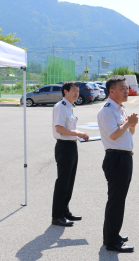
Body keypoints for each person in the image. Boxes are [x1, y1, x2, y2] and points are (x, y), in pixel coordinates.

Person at [97, 75, 138, 253]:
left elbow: (129, 133)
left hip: (125, 157)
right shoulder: (106, 110)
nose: (126, 91)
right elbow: (113, 135)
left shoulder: (120, 109)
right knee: (116, 200)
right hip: (116, 159)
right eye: (122, 88)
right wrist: (129, 122)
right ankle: (112, 241)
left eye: (127, 88)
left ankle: (112, 235)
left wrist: (131, 124)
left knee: (119, 200)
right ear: (111, 91)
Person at [51, 81, 89, 227]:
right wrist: (78, 133)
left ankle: (65, 211)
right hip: (64, 146)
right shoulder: (61, 106)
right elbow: (60, 128)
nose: (76, 93)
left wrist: (75, 129)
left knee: (69, 181)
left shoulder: (70, 107)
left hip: (71, 146)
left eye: (78, 91)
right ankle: (57, 216)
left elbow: (67, 126)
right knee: (63, 182)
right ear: (65, 92)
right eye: (73, 90)